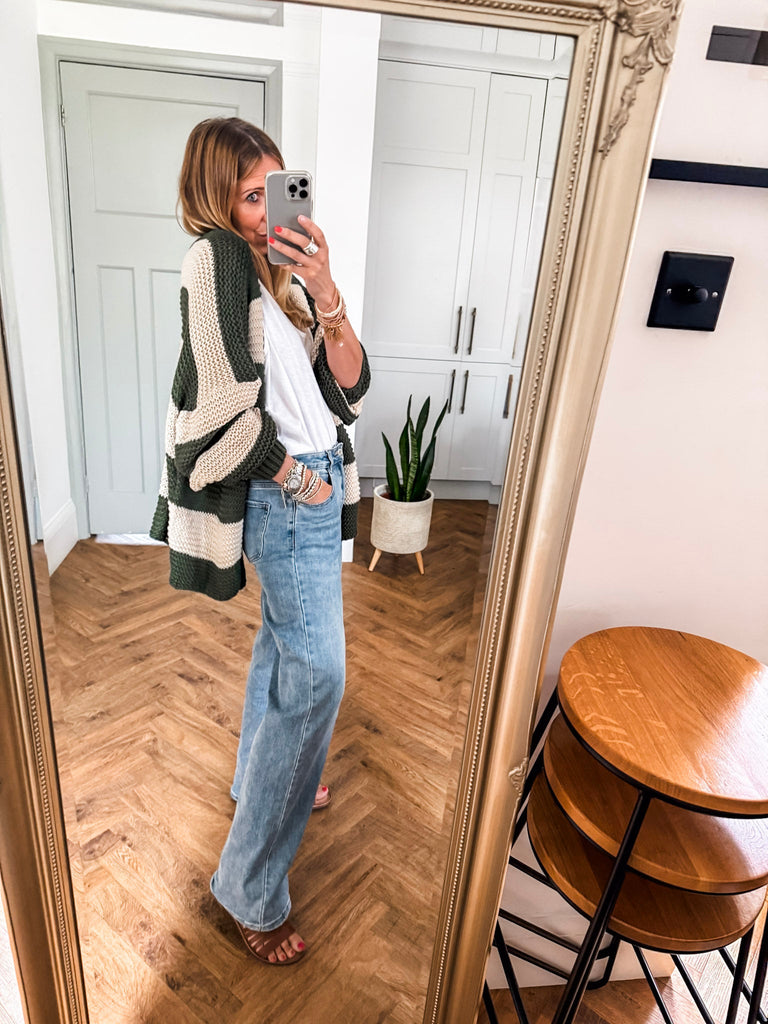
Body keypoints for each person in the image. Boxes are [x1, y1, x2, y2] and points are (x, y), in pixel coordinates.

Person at [150, 117, 370, 965]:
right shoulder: (215, 261)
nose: (268, 209)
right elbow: (219, 407)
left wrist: (325, 287)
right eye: (251, 194)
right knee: (319, 675)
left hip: (317, 477)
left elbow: (347, 388)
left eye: (276, 188)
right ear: (217, 198)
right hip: (288, 491)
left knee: (285, 650)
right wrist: (294, 477)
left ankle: (260, 780)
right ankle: (248, 887)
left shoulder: (277, 278)